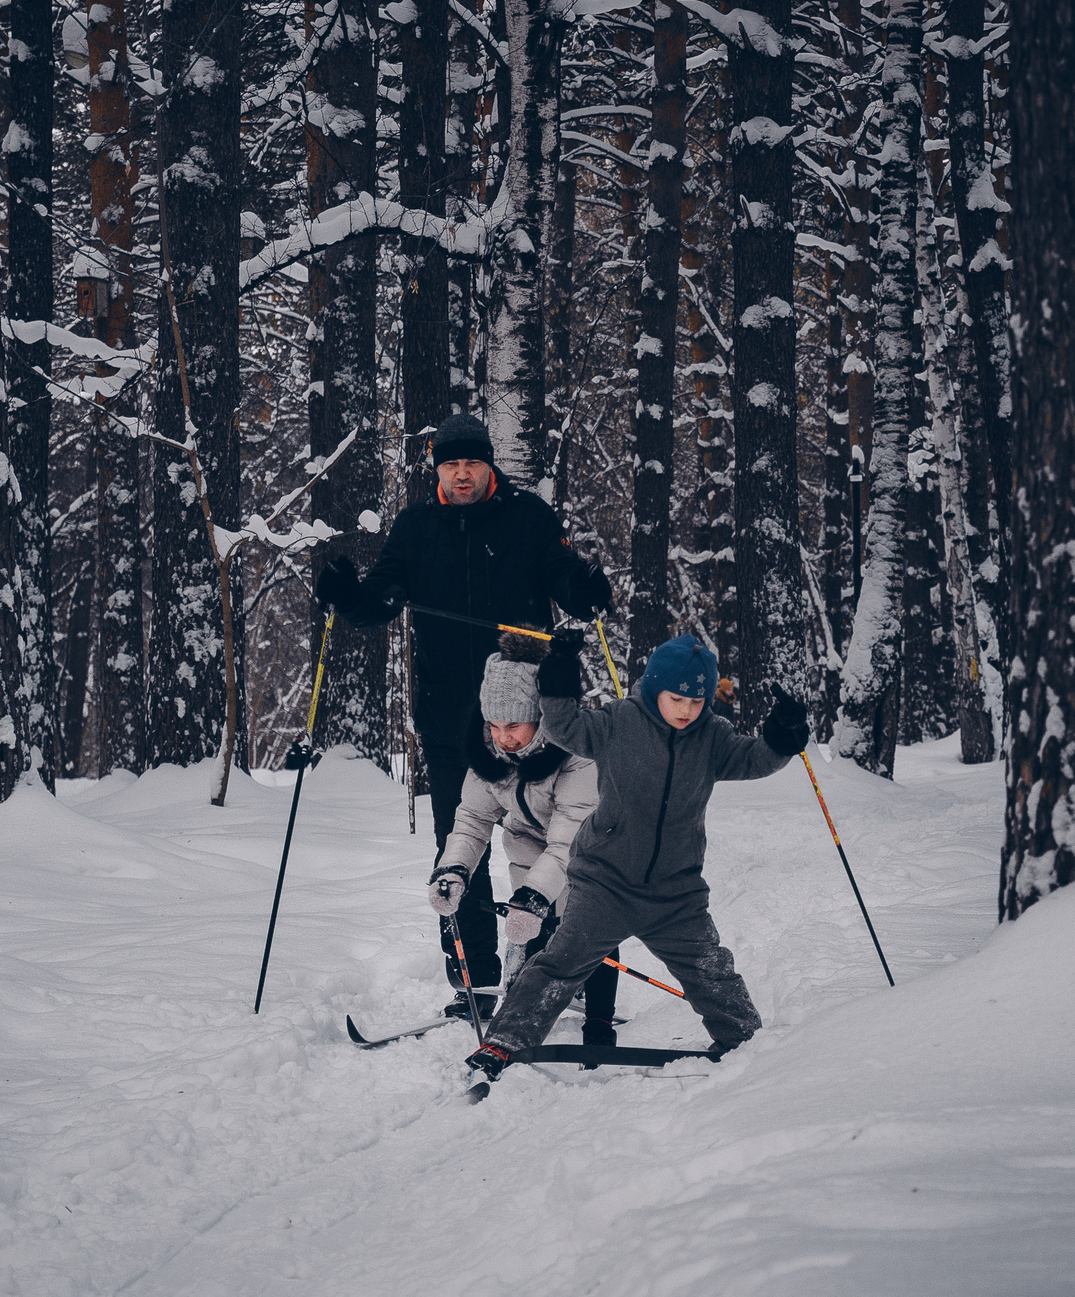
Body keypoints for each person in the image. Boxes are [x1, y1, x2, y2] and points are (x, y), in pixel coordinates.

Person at [314, 411, 611, 1012]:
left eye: (471, 462)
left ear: (488, 464)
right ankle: (474, 980)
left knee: (548, 845)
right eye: (450, 464)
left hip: (535, 718)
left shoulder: (528, 517)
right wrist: (348, 596)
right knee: (461, 845)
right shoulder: (417, 527)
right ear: (437, 469)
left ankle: (551, 972)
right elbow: (380, 601)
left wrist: (586, 588)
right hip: (453, 719)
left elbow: (565, 583)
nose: (461, 474)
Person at [463, 631, 811, 1087]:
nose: (687, 709)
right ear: (653, 689)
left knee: (711, 971)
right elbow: (564, 727)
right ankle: (504, 1040)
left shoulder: (713, 737)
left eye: (697, 699)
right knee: (559, 963)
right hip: (606, 881)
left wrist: (782, 738)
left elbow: (756, 760)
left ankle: (746, 1042)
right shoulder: (619, 723)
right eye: (677, 698)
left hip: (676, 891)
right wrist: (559, 673)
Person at [427, 648, 622, 1044]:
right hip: (530, 846)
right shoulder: (490, 753)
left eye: (514, 724)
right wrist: (454, 868)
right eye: (494, 725)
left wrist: (537, 894)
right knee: (529, 926)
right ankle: (521, 1010)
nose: (503, 737)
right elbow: (471, 820)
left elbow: (570, 841)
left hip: (593, 844)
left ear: (541, 717)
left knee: (589, 925)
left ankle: (598, 1021)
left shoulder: (579, 756)